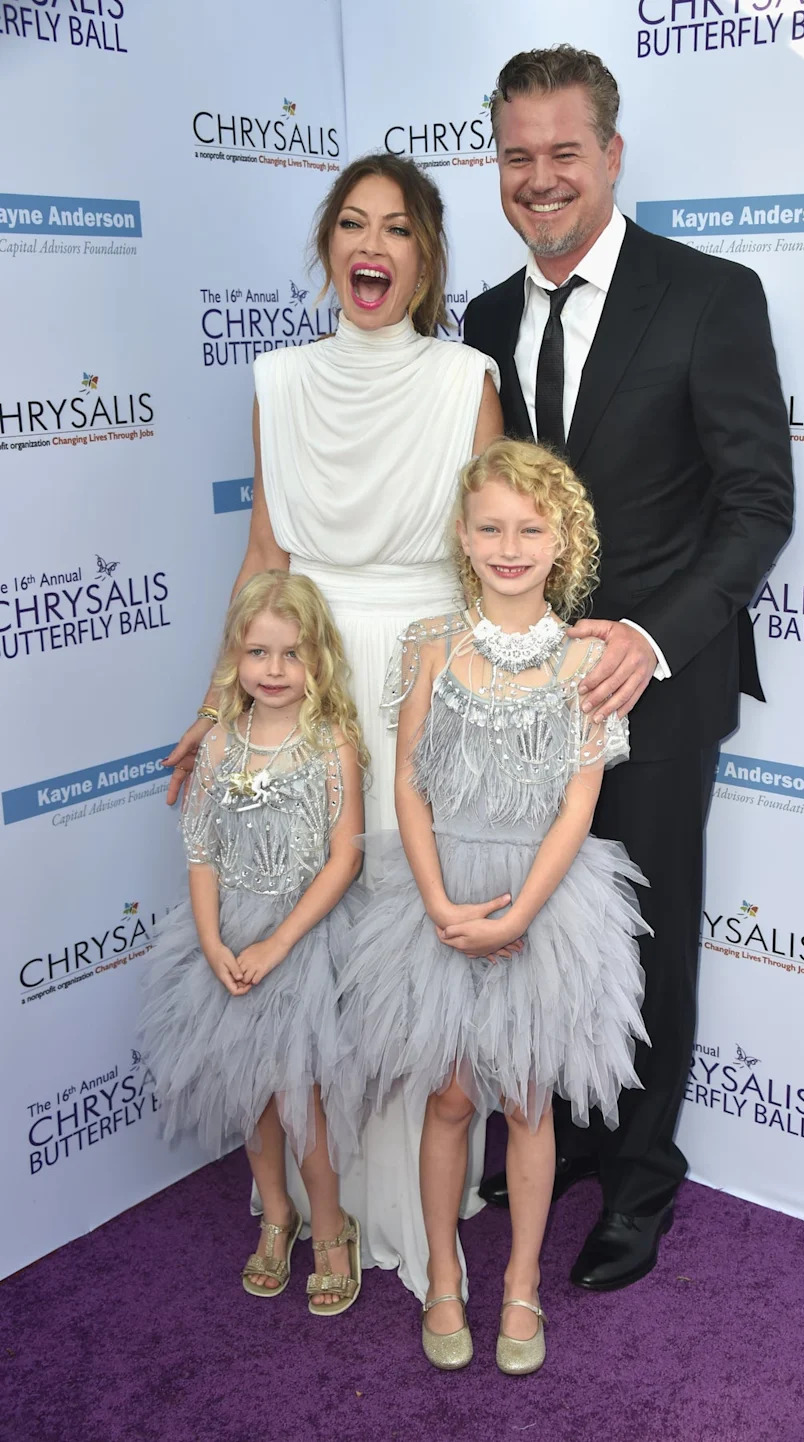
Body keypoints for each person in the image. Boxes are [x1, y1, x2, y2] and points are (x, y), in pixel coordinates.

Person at [463, 46, 794, 1291]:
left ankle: (645, 1178)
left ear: (611, 153)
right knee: (544, 920)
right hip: (519, 694)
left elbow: (758, 501)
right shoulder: (485, 322)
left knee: (649, 935)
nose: (539, 179)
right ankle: (572, 1136)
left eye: (563, 152)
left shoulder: (713, 294)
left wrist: (648, 641)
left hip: (659, 679)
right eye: (517, 157)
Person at [163, 153, 503, 1301]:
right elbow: (266, 555)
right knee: (310, 945)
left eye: (397, 228)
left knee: (404, 944)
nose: (373, 245)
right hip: (301, 676)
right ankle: (319, 1202)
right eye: (352, 225)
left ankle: (414, 1196)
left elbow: (484, 561)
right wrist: (220, 703)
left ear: (426, 256)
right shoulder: (279, 379)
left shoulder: (467, 381)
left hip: (419, 669)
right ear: (329, 250)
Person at [337, 439, 651, 1374]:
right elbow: (405, 785)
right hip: (436, 890)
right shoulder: (430, 644)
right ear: (464, 539)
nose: (509, 546)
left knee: (524, 1097)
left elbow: (580, 805)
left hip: (543, 902)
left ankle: (519, 1285)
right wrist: (437, 900)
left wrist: (515, 918)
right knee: (446, 1095)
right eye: (490, 529)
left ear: (564, 542)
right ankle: (443, 1273)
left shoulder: (585, 661)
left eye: (530, 529)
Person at [140, 572, 366, 1313]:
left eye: (291, 654)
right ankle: (277, 1213)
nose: (273, 670)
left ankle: (332, 1227)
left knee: (302, 1096)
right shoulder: (218, 747)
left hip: (302, 939)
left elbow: (345, 858)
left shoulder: (330, 742)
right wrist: (210, 942)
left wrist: (280, 942)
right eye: (258, 652)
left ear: (319, 660)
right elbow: (201, 850)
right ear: (234, 656)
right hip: (227, 935)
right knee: (252, 1097)